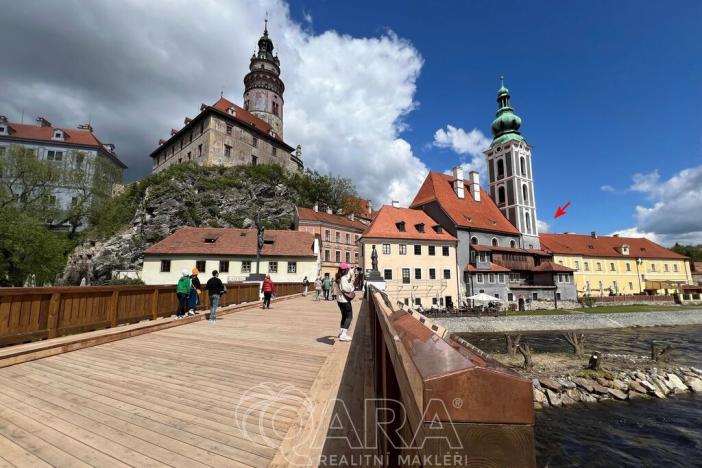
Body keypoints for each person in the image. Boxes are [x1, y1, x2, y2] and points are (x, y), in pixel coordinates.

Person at [334, 262, 354, 341]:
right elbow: (347, 289)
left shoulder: (338, 277)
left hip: (339, 300)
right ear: (345, 270)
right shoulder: (343, 278)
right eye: (347, 269)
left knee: (344, 316)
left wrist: (350, 273)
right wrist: (352, 286)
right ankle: (344, 335)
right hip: (345, 301)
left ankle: (342, 332)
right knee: (349, 317)